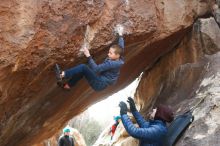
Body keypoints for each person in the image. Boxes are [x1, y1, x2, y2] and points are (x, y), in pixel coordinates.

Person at [55, 26, 125, 91]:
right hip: (101, 82)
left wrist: (88, 56)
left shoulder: (112, 63)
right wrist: (120, 34)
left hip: (99, 84)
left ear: (117, 55)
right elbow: (121, 47)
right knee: (83, 70)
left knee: (83, 67)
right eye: (109, 52)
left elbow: (96, 69)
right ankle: (68, 86)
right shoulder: (119, 56)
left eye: (110, 53)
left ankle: (62, 74)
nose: (108, 54)